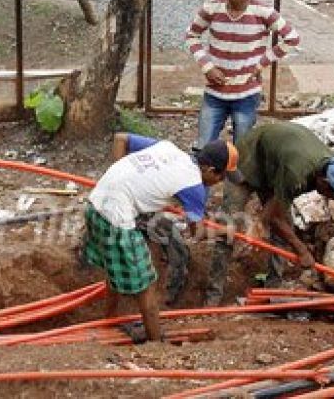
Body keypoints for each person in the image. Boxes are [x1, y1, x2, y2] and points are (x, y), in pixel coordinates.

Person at [82, 136, 237, 343]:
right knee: (147, 286)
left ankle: (110, 319)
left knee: (114, 268)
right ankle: (157, 346)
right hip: (116, 218)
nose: (220, 183)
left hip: (95, 204)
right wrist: (226, 232)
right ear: (209, 169)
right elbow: (197, 233)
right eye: (222, 177)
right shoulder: (193, 186)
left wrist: (118, 180)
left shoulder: (167, 148)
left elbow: (121, 139)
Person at [204, 120, 334, 306]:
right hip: (247, 162)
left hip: (274, 169)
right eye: (333, 194)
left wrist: (261, 222)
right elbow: (276, 216)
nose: (333, 199)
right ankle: (213, 297)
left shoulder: (329, 164)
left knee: (282, 231)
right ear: (323, 181)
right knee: (228, 229)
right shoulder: (297, 173)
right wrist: (302, 250)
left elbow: (275, 212)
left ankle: (272, 291)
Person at [184, 0, 301, 148]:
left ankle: (237, 177)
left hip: (246, 94)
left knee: (242, 149)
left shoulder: (263, 12)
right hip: (215, 92)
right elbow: (191, 36)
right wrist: (207, 66)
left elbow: (292, 38)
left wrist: (261, 63)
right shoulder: (212, 8)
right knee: (204, 147)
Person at [111, 133, 191, 307]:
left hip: (146, 210)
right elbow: (120, 138)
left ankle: (167, 300)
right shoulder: (163, 152)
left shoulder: (169, 160)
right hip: (123, 209)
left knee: (179, 250)